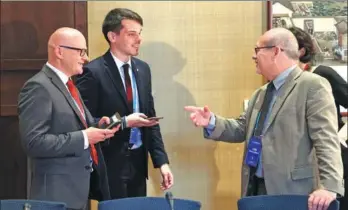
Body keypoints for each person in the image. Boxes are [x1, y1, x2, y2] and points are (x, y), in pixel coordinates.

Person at [185, 28, 344, 210]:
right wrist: (211, 121)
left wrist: (329, 187)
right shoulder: (260, 93)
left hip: (293, 192)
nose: (254, 57)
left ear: (276, 51)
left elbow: (326, 140)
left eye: (257, 50)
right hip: (255, 187)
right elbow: (242, 128)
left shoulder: (312, 86)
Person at [75, 8, 173, 199]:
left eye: (140, 34)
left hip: (138, 163)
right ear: (112, 36)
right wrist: (124, 122)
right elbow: (85, 122)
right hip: (109, 164)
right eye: (131, 34)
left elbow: (150, 120)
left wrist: (162, 163)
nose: (139, 39)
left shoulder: (143, 69)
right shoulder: (92, 72)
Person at [289, 26, 348, 210]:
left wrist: (341, 136)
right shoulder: (286, 84)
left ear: (301, 51)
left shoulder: (322, 74)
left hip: (331, 152)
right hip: (304, 160)